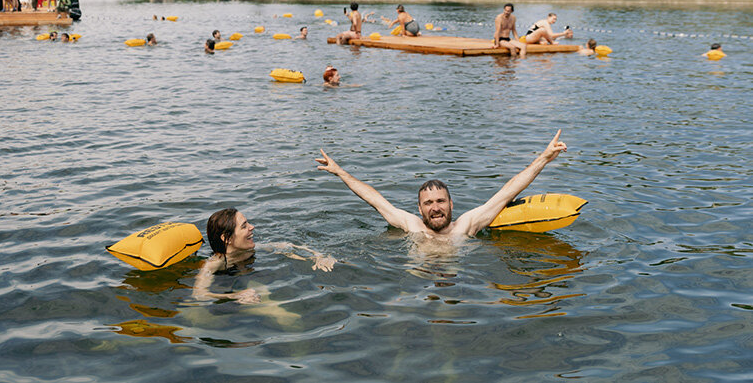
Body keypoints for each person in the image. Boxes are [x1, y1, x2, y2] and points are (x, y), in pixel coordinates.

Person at [315, 130, 568, 238]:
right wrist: (339, 172)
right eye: (428, 203)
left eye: (440, 201)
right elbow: (374, 199)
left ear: (451, 203)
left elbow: (508, 191)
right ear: (419, 208)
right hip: (417, 285)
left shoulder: (467, 226)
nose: (435, 208)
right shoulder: (412, 226)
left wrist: (544, 158)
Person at [192, 208, 335, 303]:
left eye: (248, 222)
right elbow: (199, 294)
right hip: (228, 284)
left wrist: (318, 256)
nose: (252, 227)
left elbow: (287, 246)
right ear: (227, 238)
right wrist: (234, 296)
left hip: (248, 278)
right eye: (244, 226)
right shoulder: (215, 263)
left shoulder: (248, 250)